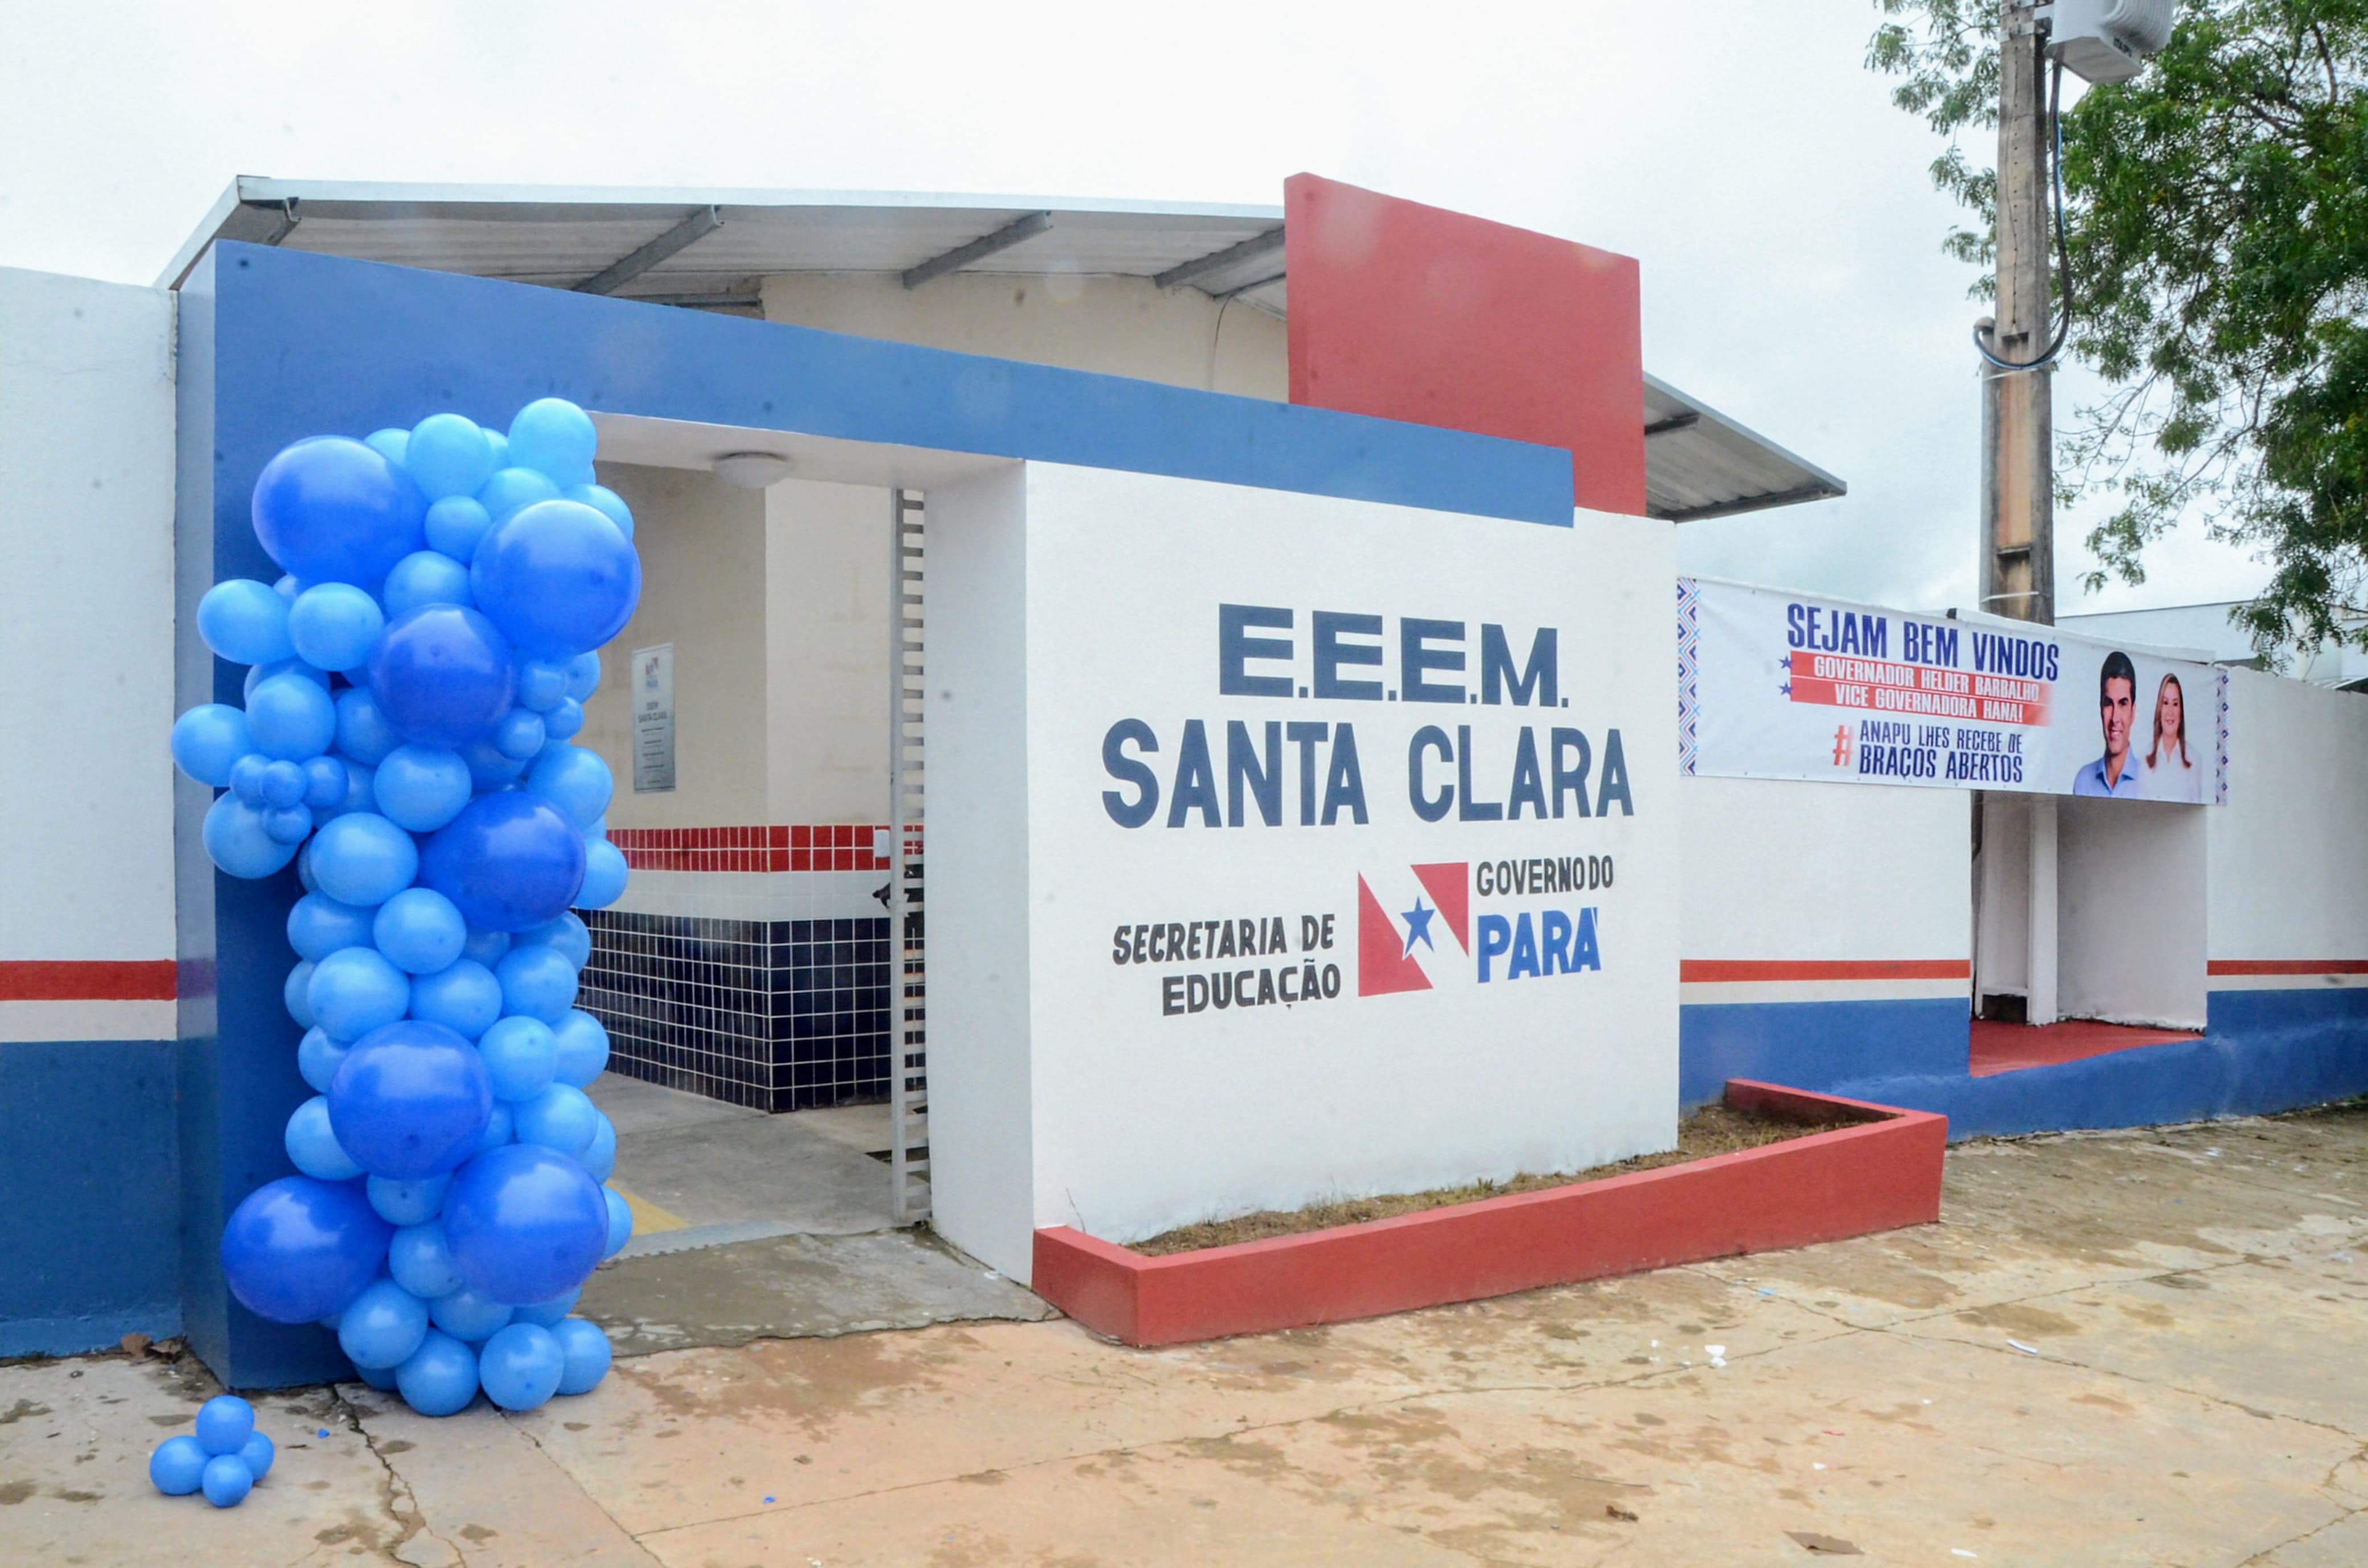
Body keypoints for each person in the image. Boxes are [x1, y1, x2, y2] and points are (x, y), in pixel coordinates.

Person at [2073, 651, 2145, 797]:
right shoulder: (2084, 780)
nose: (2115, 718)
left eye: (2123, 704)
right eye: (2109, 704)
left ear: (2133, 712)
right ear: (2101, 709)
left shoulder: (2150, 781)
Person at [2139, 671, 2203, 802]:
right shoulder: (2143, 759)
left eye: (2175, 704)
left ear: (2181, 711)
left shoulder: (2194, 759)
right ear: (2159, 709)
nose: (2170, 712)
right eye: (2165, 703)